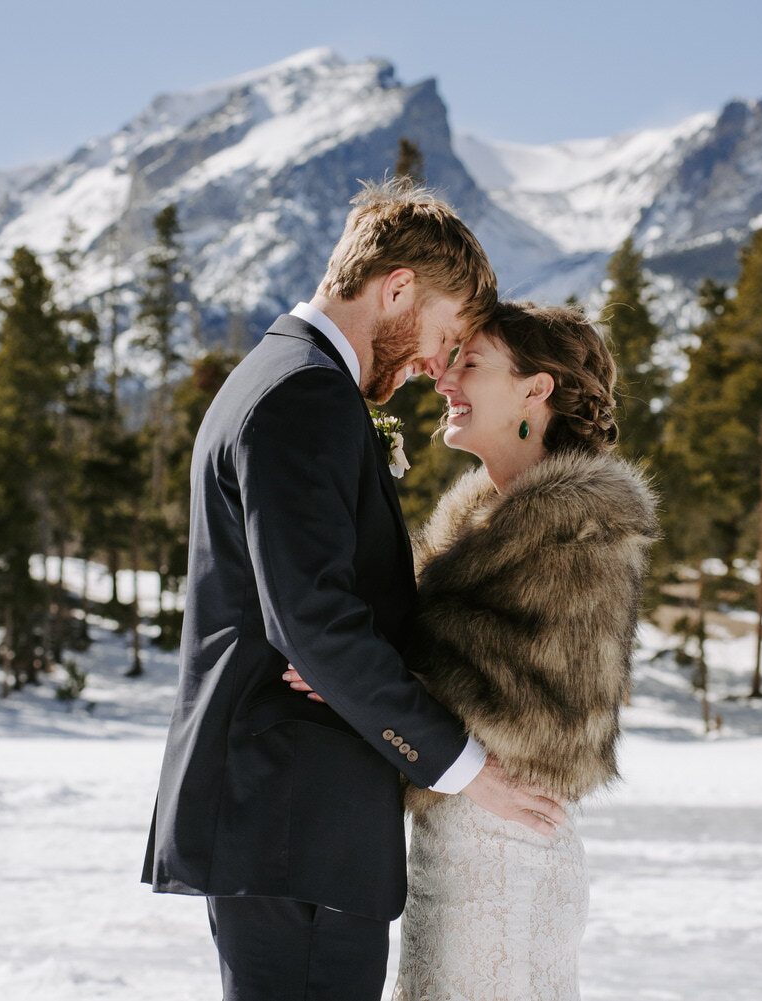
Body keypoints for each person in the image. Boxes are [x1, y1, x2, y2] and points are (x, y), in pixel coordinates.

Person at [141, 181, 568, 1001]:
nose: (434, 365)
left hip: (286, 821)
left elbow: (317, 622)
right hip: (297, 821)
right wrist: (466, 767)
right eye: (443, 334)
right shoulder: (305, 392)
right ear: (397, 287)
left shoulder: (283, 376)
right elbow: (315, 624)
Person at [293, 302, 657, 999]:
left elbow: (559, 720)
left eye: (471, 363)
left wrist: (369, 678)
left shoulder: (578, 531)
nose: (446, 380)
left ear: (535, 389)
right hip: (463, 844)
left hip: (502, 859)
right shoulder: (488, 521)